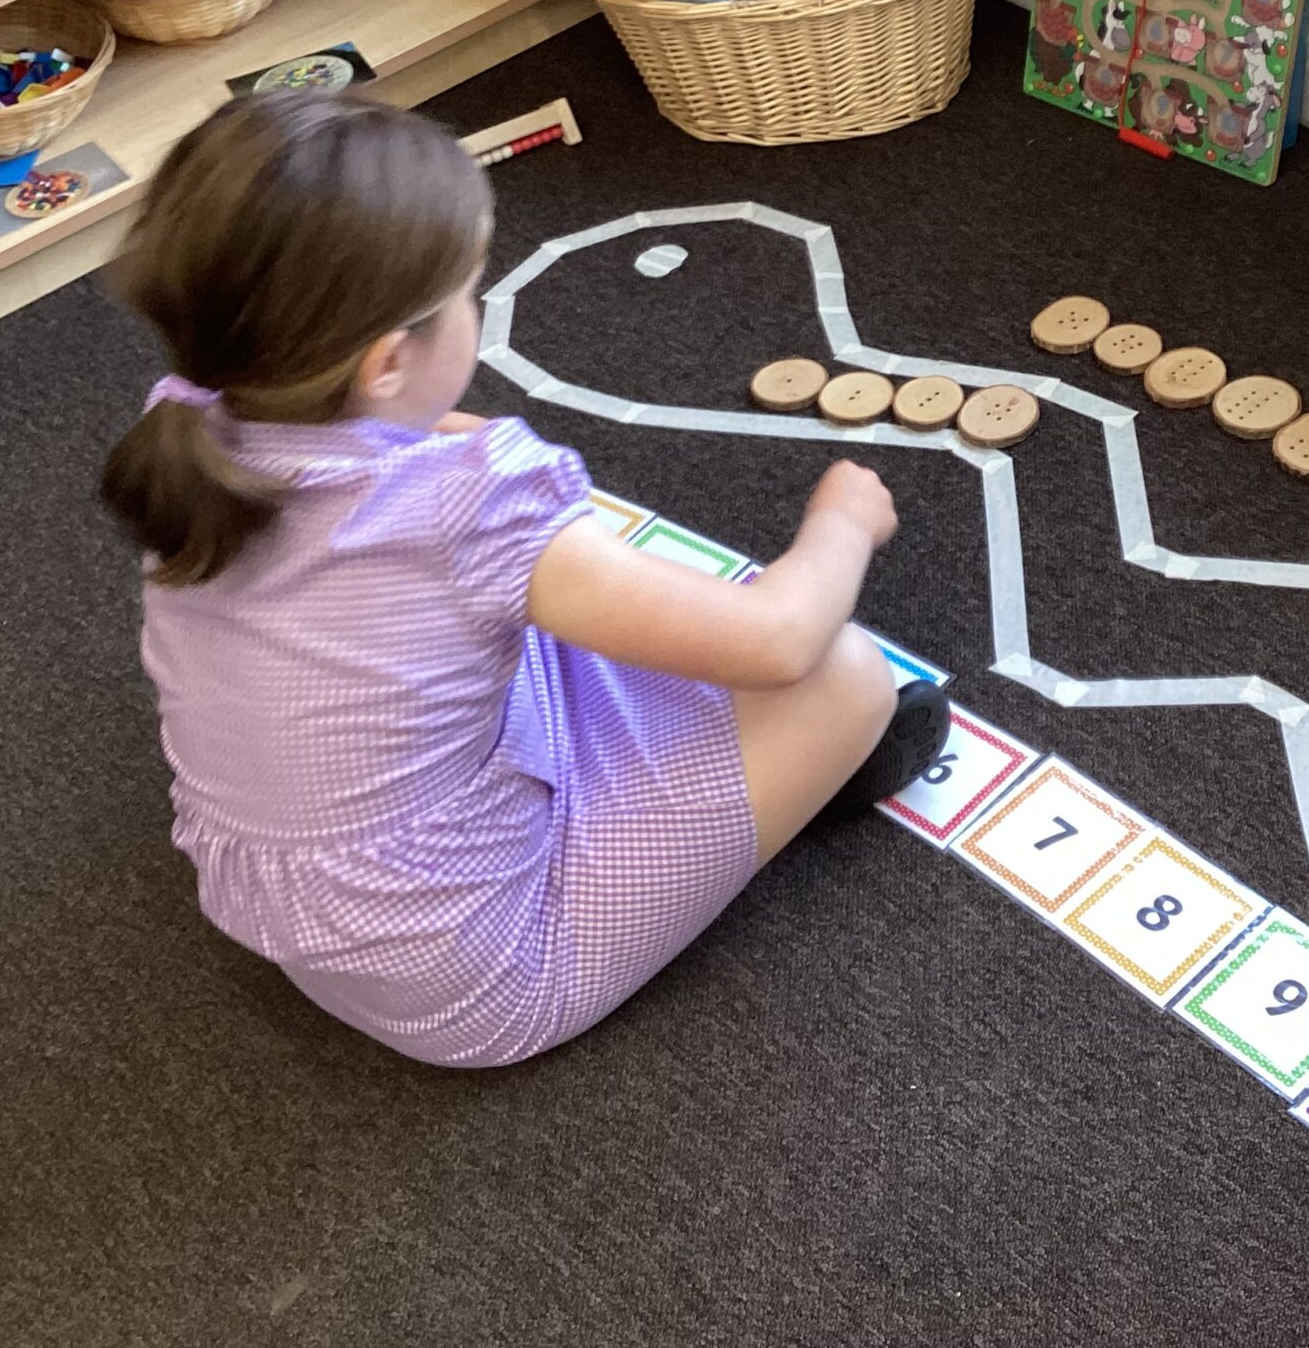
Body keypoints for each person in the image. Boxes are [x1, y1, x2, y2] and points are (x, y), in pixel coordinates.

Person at [98, 93, 946, 1067]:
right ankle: (820, 779)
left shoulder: (197, 428)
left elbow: (405, 496)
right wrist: (843, 523)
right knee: (847, 675)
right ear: (386, 361)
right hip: (484, 978)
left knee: (556, 603)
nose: (476, 309)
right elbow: (779, 640)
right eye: (468, 293)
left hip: (295, 918)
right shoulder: (475, 508)